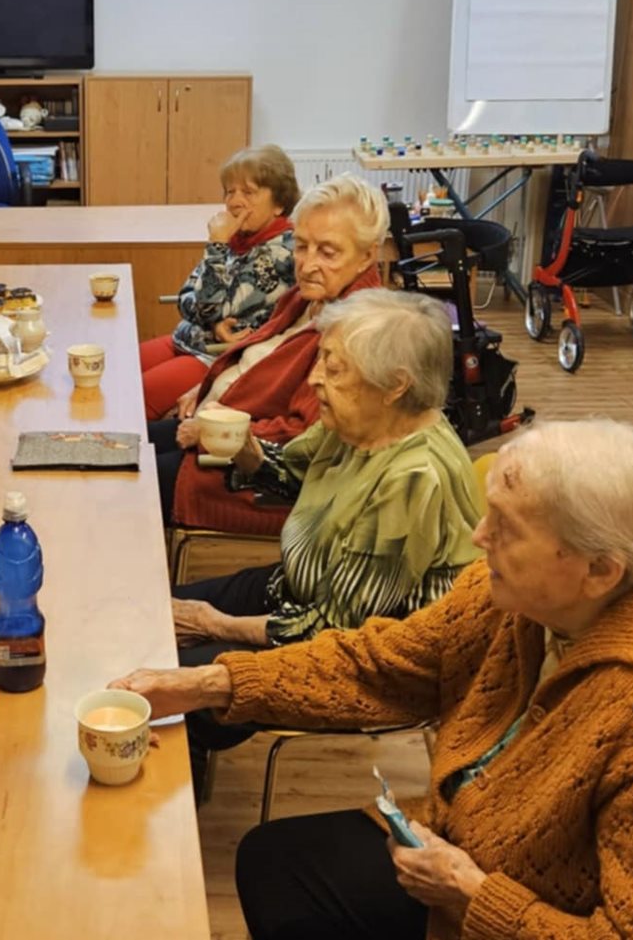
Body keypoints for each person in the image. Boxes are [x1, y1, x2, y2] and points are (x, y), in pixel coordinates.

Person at [116, 420, 633, 940]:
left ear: (600, 569)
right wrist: (214, 685)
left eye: (506, 527)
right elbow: (385, 663)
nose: (477, 537)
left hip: (525, 899)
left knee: (287, 879)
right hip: (479, 841)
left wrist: (473, 894)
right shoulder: (529, 596)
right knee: (275, 864)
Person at [167, 289, 484, 782]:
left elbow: (336, 631)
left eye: (333, 368)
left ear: (395, 384)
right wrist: (248, 451)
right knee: (156, 620)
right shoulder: (364, 421)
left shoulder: (414, 479)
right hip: (299, 593)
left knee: (177, 688)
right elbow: (295, 472)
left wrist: (216, 624)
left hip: (361, 660)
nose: (315, 378)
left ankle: (170, 802)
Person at [147, 174, 387, 532]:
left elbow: (304, 436)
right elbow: (258, 356)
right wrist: (208, 385)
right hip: (216, 425)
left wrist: (214, 430)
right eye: (301, 246)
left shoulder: (356, 332)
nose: (306, 264)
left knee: (126, 486)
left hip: (241, 472)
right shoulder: (307, 297)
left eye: (327, 252)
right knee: (124, 446)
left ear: (368, 255)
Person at [140, 145, 300, 419]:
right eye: (229, 191)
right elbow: (186, 295)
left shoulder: (281, 253)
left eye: (248, 192)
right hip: (190, 339)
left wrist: (216, 245)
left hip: (217, 358)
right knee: (115, 368)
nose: (234, 201)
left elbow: (209, 307)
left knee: (132, 397)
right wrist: (212, 323)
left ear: (279, 204)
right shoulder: (237, 239)